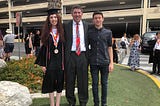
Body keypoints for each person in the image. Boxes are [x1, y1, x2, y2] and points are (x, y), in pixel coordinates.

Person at [35, 8, 65, 106]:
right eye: (51, 17)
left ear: (58, 18)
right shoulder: (46, 33)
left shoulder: (63, 32)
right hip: (50, 62)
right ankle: (52, 104)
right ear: (49, 19)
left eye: (55, 17)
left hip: (61, 62)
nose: (53, 19)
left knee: (60, 82)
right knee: (50, 82)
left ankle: (58, 104)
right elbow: (43, 50)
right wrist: (43, 64)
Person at [63, 5, 89, 106]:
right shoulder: (66, 26)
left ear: (82, 14)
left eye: (79, 12)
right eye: (75, 12)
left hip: (83, 55)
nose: (77, 14)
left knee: (83, 81)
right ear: (71, 14)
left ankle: (83, 102)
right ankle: (71, 102)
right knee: (69, 80)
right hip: (70, 55)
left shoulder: (87, 25)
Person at [88, 11, 114, 106]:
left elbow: (110, 48)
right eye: (96, 18)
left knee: (104, 84)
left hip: (105, 62)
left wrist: (111, 63)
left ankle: (104, 103)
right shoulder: (89, 33)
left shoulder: (108, 32)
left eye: (99, 18)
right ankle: (96, 103)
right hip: (93, 62)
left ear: (103, 19)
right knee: (94, 84)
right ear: (93, 20)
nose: (98, 19)